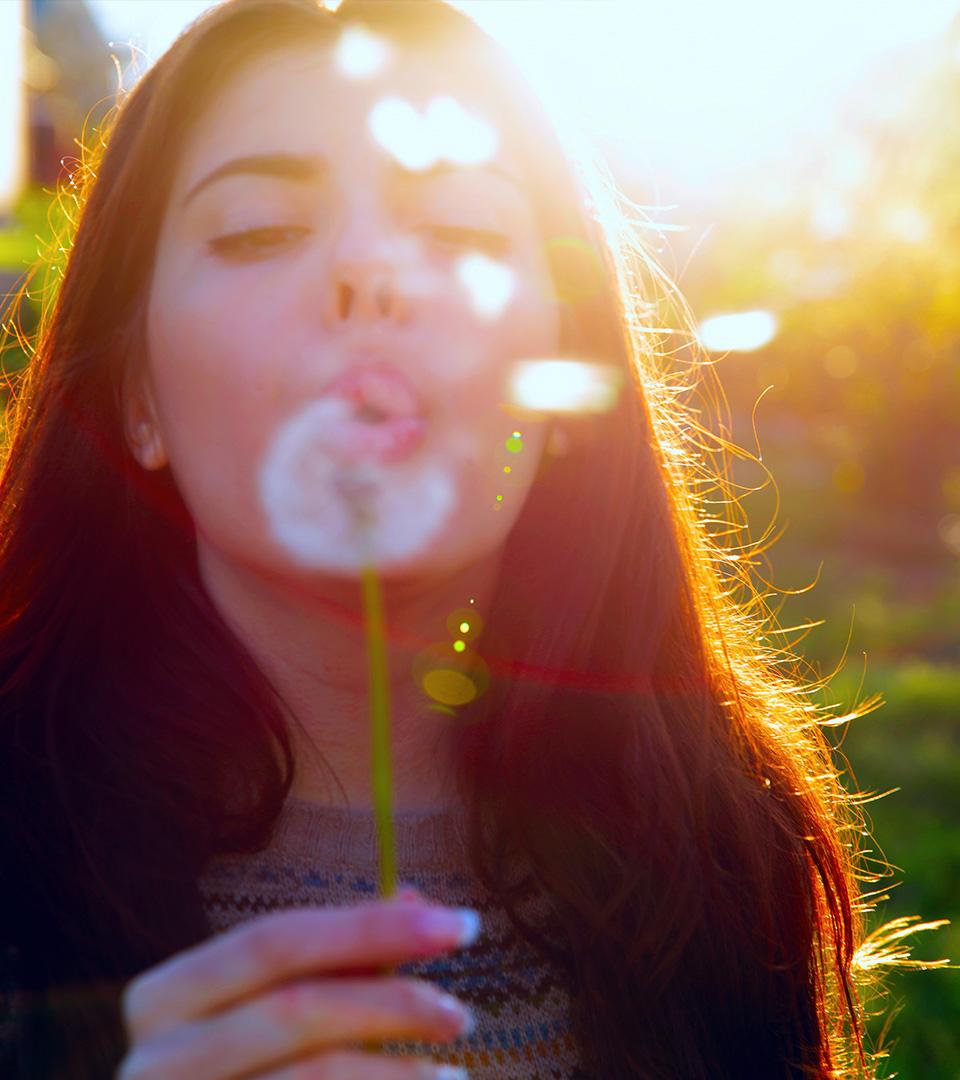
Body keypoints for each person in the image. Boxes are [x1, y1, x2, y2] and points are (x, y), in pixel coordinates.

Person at [0, 0, 919, 1077]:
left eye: (466, 232)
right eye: (258, 228)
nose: (371, 272)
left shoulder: (715, 840)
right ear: (135, 396)